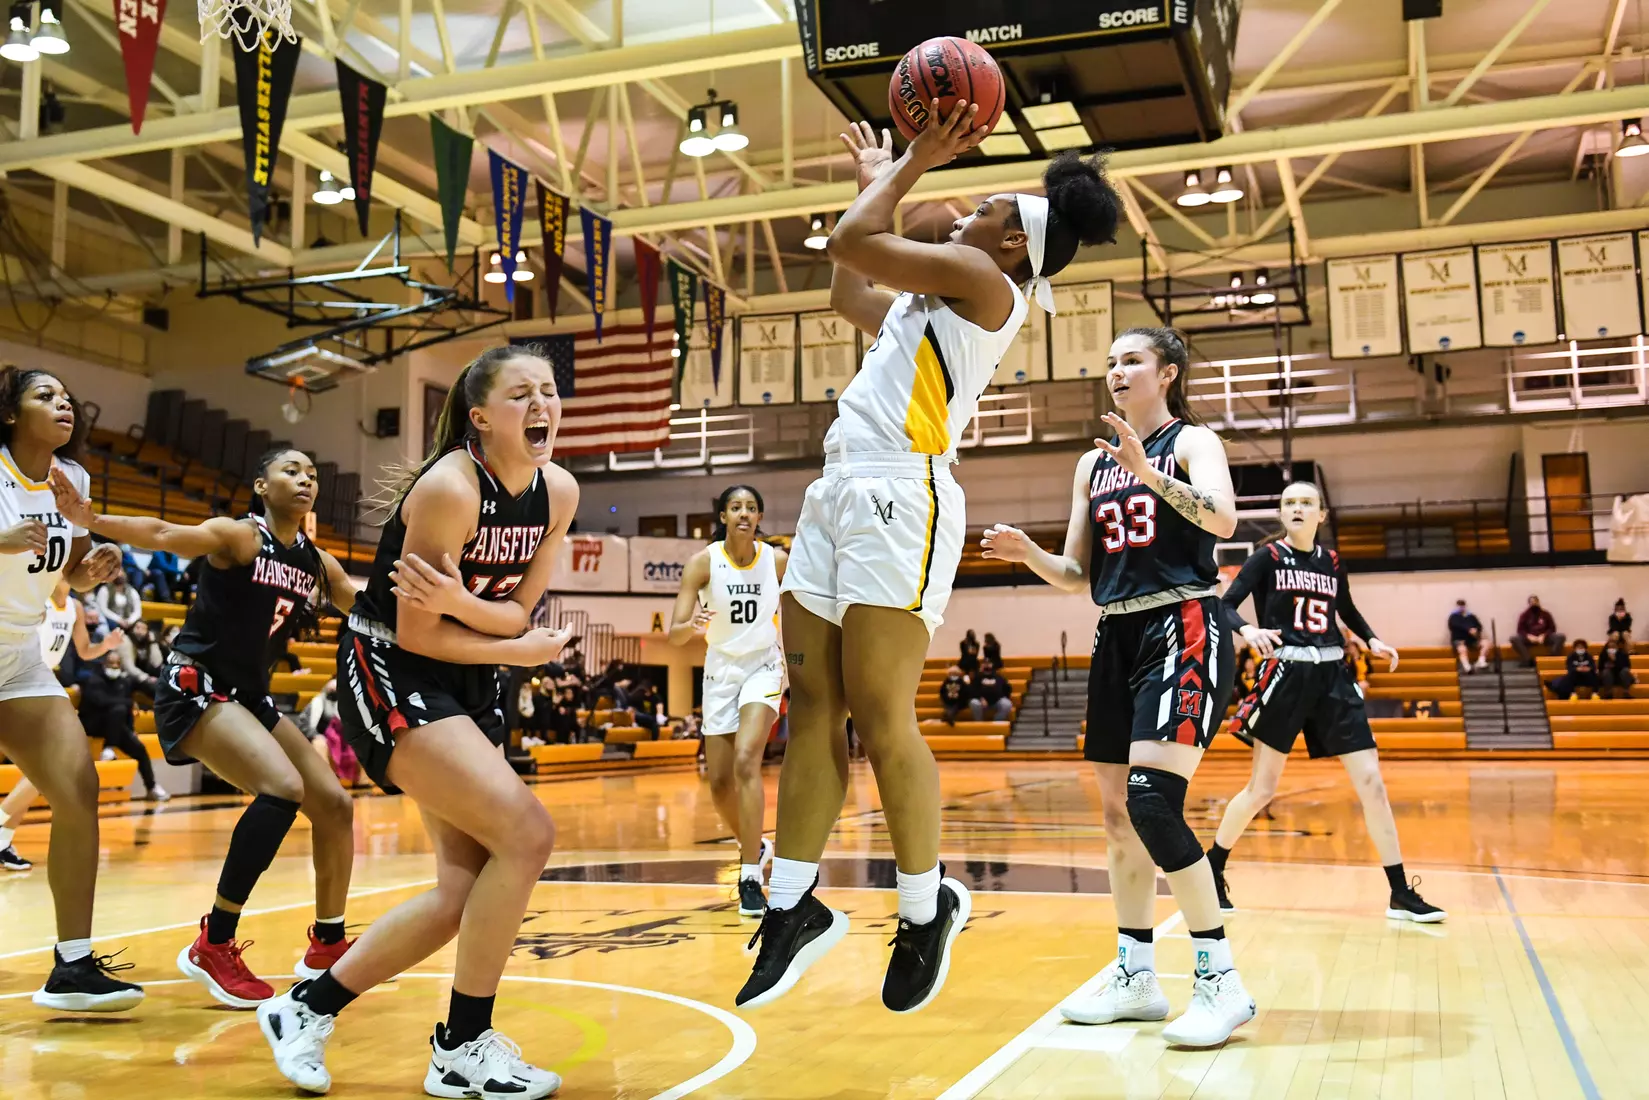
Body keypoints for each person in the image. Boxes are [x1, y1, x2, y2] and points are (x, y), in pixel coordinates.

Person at [736, 107, 1120, 1015]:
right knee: (815, 704)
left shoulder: (987, 283)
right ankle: (791, 904)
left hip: (901, 496)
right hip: (838, 488)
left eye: (986, 207)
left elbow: (855, 238)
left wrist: (906, 163)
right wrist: (878, 176)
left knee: (876, 707)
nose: (966, 212)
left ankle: (923, 908)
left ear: (1014, 245)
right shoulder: (932, 299)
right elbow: (846, 283)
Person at [257, 345, 576, 1098]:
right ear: (479, 417)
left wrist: (480, 616)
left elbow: (516, 612)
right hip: (392, 667)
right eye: (522, 394)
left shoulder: (556, 491)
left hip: (470, 674)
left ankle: (306, 1007)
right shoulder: (450, 489)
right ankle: (462, 1041)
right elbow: (416, 633)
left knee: (461, 891)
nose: (542, 406)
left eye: (550, 392)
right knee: (527, 835)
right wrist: (511, 641)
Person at [982, 326, 1255, 1047]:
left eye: (1130, 359)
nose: (1114, 371)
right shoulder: (1090, 464)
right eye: (1107, 361)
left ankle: (1218, 980)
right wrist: (1027, 553)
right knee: (1114, 815)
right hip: (1117, 632)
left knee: (1150, 801)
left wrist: (1149, 473)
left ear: (1166, 373)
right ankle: (1135, 977)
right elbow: (1078, 577)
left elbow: (1224, 519)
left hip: (1184, 621)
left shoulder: (1192, 442)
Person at [51, 447, 362, 1009]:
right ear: (262, 486)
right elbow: (165, 531)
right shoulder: (242, 536)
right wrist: (93, 520)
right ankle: (213, 942)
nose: (305, 480)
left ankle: (327, 944)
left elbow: (365, 606)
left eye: (313, 474)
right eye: (291, 471)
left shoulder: (316, 561)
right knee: (283, 788)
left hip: (249, 694)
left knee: (335, 805)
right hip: (195, 685)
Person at [1207, 481, 1445, 923]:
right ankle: (1212, 867)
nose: (1297, 508)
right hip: (1286, 674)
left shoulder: (1333, 562)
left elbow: (1346, 610)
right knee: (1262, 789)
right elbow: (1225, 605)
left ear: (1321, 515)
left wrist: (1373, 640)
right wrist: (1248, 630)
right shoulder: (1267, 558)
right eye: (1289, 503)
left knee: (1372, 783)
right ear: (1281, 514)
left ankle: (1399, 893)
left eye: (1306, 503)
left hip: (1334, 675)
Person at [0, 366, 143, 1011]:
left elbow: (72, 574)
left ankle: (73, 966)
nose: (63, 406)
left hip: (21, 655)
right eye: (44, 396)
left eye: (65, 398)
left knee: (77, 789)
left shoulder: (73, 480)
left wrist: (93, 571)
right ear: (10, 413)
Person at [669, 484, 787, 917]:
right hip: (720, 670)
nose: (744, 513)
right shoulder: (702, 563)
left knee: (745, 761)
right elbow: (674, 633)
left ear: (759, 517)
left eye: (751, 507)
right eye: (735, 507)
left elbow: (799, 611)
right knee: (719, 784)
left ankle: (749, 874)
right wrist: (691, 625)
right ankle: (756, 845)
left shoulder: (775, 561)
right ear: (722, 516)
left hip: (762, 666)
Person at [0, 578, 126, 871]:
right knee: (46, 767)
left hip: (38, 684)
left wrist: (105, 645)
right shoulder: (35, 598)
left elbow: (83, 651)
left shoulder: (75, 607)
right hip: (15, 680)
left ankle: (3, 836)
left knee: (44, 768)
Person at [78, 650, 166, 801]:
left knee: (140, 750)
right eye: (111, 663)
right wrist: (129, 703)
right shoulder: (93, 680)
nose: (114, 667)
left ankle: (152, 787)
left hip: (115, 728)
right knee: (117, 709)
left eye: (117, 664)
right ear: (104, 664)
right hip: (93, 724)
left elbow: (138, 693)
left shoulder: (124, 682)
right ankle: (109, 748)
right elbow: (101, 702)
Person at [1511, 595, 1565, 666]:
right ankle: (1528, 660)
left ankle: (1553, 658)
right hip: (1530, 638)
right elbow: (1520, 630)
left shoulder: (1546, 614)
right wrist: (1528, 636)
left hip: (1544, 638)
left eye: (1535, 601)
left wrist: (1544, 635)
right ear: (1529, 603)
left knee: (1561, 637)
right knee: (1514, 639)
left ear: (1538, 602)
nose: (1533, 603)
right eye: (1531, 602)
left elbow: (1552, 628)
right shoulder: (1524, 615)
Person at [1448, 599, 1489, 673]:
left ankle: (1481, 661)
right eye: (1459, 605)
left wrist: (1476, 630)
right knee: (1462, 649)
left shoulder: (1471, 616)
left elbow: (1479, 626)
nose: (1461, 607)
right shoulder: (1453, 617)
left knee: (1486, 643)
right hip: (1459, 639)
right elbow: (1454, 626)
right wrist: (1468, 629)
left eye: (1462, 605)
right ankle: (1467, 667)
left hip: (1472, 640)